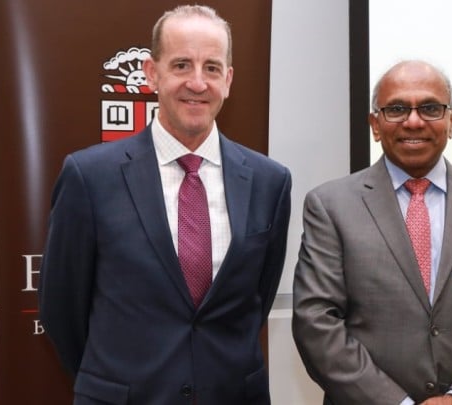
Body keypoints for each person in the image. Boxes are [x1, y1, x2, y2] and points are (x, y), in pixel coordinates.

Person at [38, 5, 291, 404]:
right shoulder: (90, 177)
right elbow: (61, 309)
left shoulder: (269, 182)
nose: (197, 82)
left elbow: (255, 301)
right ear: (152, 73)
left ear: (228, 80)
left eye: (211, 68)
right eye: (181, 65)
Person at [292, 60, 452, 405]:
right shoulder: (329, 206)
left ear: (451, 121)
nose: (413, 121)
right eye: (396, 109)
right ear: (375, 125)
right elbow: (316, 323)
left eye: (430, 108)